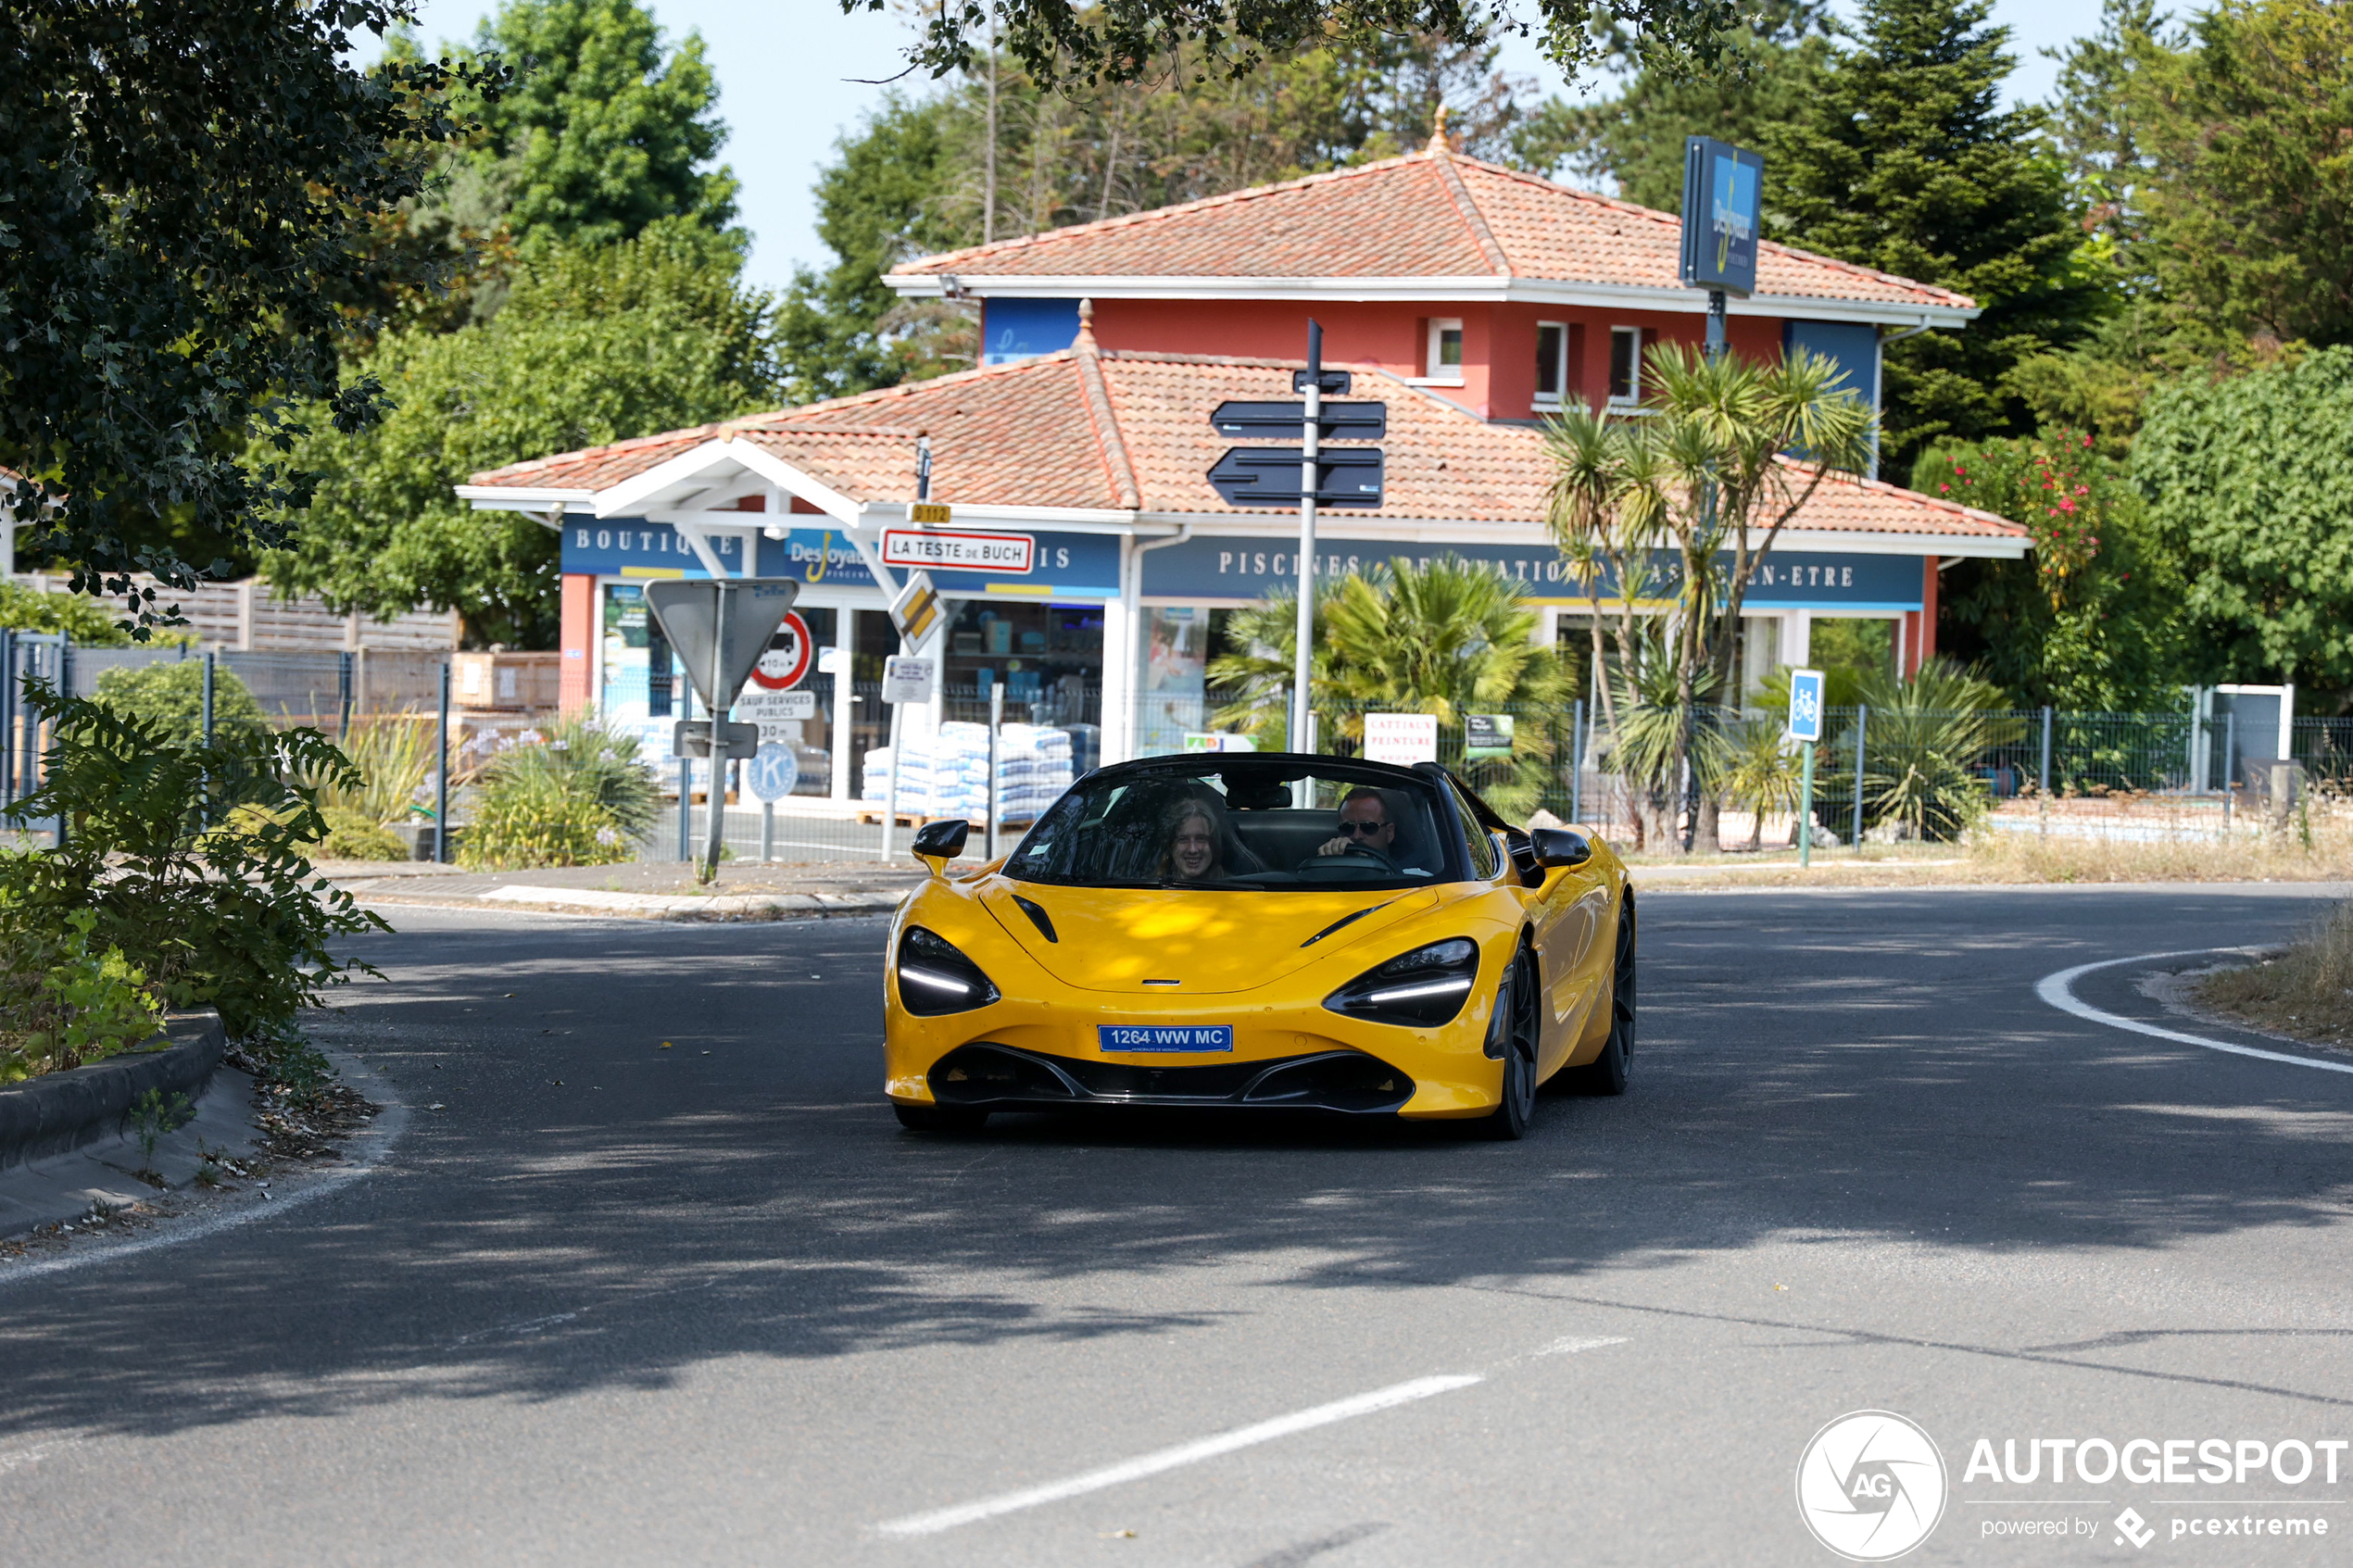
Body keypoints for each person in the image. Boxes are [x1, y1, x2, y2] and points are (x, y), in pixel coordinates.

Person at [1315, 786, 1399, 860]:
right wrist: (1327, 863)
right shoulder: (1332, 864)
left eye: (1368, 827)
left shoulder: (1407, 873)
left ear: (1389, 832)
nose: (1356, 836)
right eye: (1347, 828)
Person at [1156, 798, 1227, 882]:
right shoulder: (1148, 887)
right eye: (1183, 839)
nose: (1193, 849)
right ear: (1171, 846)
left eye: (1201, 839)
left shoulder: (1236, 888)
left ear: (1214, 844)